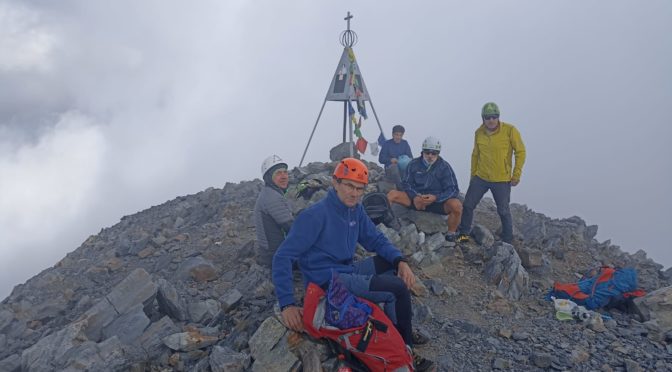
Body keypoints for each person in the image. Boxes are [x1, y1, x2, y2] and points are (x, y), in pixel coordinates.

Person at [272, 158, 435, 371]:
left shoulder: (355, 210)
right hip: (329, 282)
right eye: (349, 185)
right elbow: (282, 257)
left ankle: (396, 329)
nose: (355, 193)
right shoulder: (314, 216)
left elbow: (375, 239)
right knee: (397, 290)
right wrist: (287, 304)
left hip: (347, 271)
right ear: (335, 182)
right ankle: (406, 351)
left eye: (360, 188)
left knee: (391, 263)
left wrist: (400, 260)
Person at [457, 102, 526, 244]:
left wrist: (516, 174)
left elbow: (520, 151)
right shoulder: (478, 133)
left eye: (494, 117)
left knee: (503, 210)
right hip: (481, 177)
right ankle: (464, 233)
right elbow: (475, 154)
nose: (491, 120)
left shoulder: (510, 130)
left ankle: (507, 240)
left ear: (498, 117)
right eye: (488, 117)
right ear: (483, 118)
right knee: (468, 205)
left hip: (501, 179)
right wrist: (473, 175)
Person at [387, 136, 463, 241]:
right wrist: (415, 196)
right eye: (427, 153)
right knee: (392, 194)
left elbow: (453, 189)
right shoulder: (413, 164)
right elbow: (406, 183)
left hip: (437, 203)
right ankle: (386, 223)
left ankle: (451, 234)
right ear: (422, 152)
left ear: (438, 153)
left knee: (456, 205)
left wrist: (436, 197)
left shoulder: (445, 167)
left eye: (434, 153)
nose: (430, 156)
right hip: (416, 201)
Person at [254, 155, 293, 268]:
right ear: (268, 177)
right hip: (275, 257)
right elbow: (291, 227)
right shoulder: (271, 197)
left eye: (285, 172)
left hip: (272, 253)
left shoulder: (270, 193)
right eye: (278, 173)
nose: (284, 176)